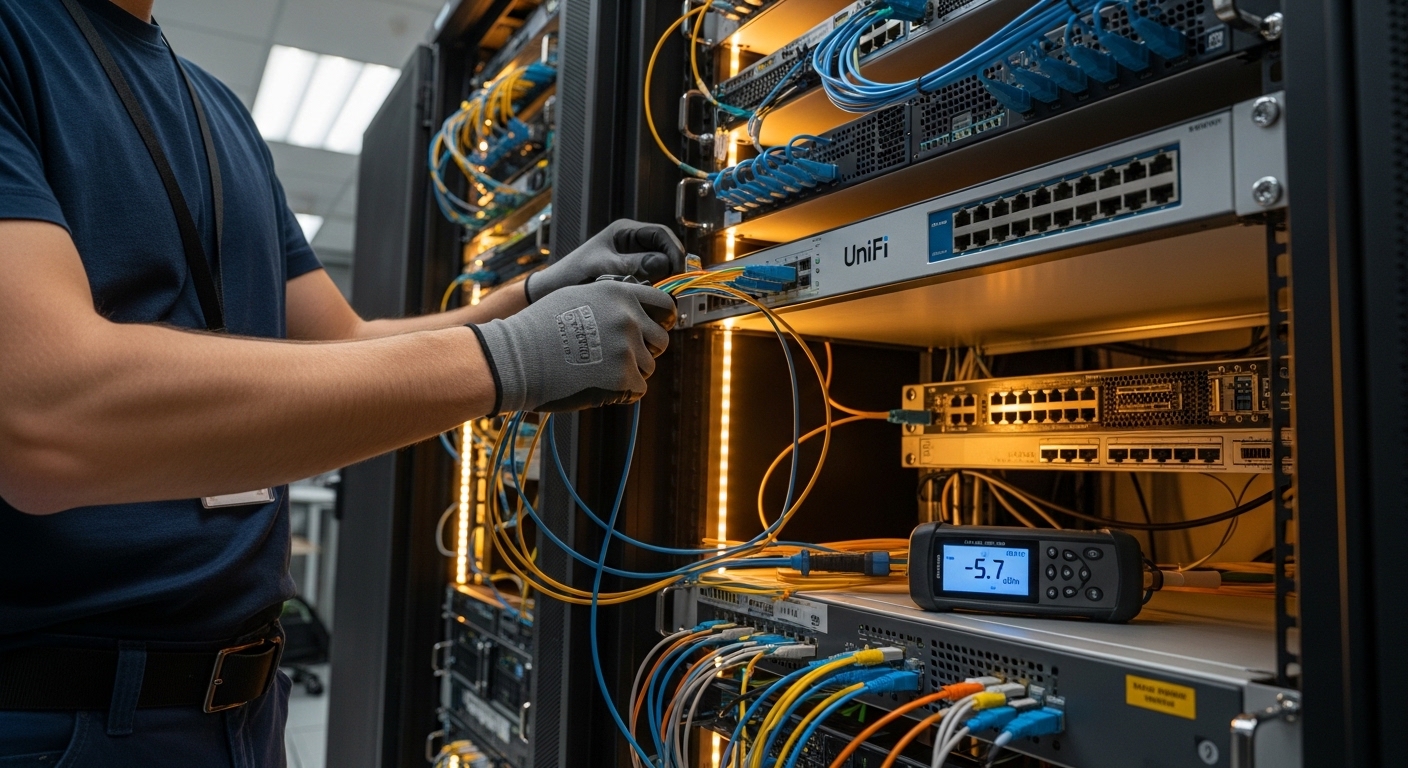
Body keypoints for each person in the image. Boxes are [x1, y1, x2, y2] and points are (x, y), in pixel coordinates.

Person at [0, 0, 684, 765]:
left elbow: (345, 342)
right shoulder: (18, 43)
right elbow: (46, 413)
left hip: (248, 709)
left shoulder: (218, 110)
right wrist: (513, 359)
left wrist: (522, 301)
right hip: (58, 718)